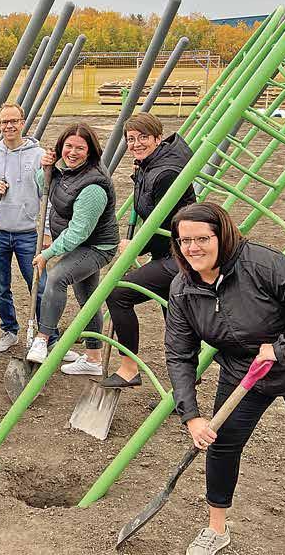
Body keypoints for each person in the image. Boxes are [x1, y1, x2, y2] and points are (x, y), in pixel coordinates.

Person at [165, 203, 285, 555]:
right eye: (184, 240)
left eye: (202, 239)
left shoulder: (260, 265)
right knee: (222, 443)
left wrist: (283, 348)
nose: (193, 248)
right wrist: (190, 415)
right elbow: (178, 354)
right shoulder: (182, 290)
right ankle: (216, 529)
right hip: (245, 372)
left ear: (222, 236)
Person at [102, 113, 197, 387]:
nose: (136, 144)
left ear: (158, 138)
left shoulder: (166, 173)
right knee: (175, 316)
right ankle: (188, 377)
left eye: (143, 137)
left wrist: (135, 248)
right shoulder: (149, 165)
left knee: (118, 293)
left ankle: (129, 368)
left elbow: (166, 224)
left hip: (180, 256)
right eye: (131, 139)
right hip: (169, 252)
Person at [27, 123, 119, 374]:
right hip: (79, 244)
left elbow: (79, 232)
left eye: (80, 148)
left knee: (56, 277)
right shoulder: (68, 171)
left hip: (97, 246)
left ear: (90, 151)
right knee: (88, 299)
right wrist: (46, 167)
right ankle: (93, 359)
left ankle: (42, 339)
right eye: (68, 146)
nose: (73, 152)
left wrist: (47, 254)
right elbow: (44, 187)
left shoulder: (93, 187)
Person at [0, 103, 46, 352]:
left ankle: (48, 336)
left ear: (22, 122)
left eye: (14, 121)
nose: (9, 126)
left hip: (28, 233)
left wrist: (46, 231)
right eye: (5, 122)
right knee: (0, 288)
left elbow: (47, 196)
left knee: (39, 286)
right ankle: (9, 331)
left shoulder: (38, 156)